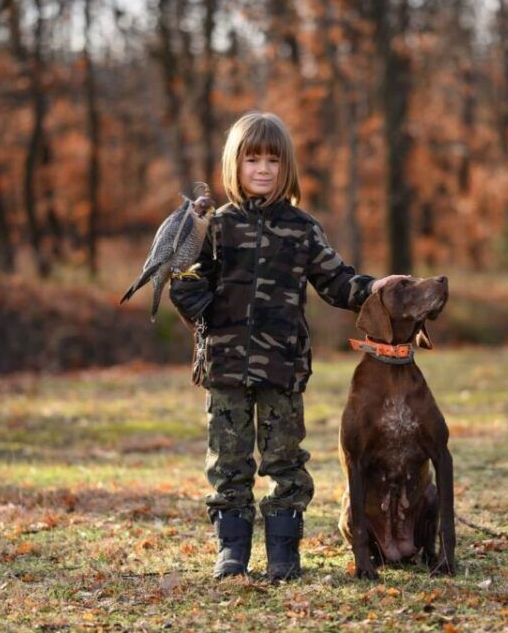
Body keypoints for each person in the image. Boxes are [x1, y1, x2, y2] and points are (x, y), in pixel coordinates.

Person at [169, 111, 406, 581]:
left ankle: (284, 554)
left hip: (283, 366)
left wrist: (376, 285)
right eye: (251, 159)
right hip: (226, 366)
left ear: (287, 168)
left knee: (285, 460)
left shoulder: (302, 228)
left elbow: (336, 281)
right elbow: (189, 283)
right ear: (233, 166)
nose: (261, 169)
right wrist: (184, 288)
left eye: (272, 161)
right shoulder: (214, 228)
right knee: (228, 460)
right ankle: (231, 552)